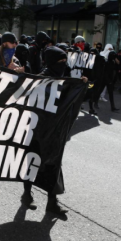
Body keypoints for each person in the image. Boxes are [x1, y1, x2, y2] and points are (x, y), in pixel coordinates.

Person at [21, 46, 87, 215]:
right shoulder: (41, 79)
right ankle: (27, 195)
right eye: (60, 61)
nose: (63, 64)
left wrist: (80, 86)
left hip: (54, 133)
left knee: (54, 165)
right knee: (33, 163)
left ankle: (52, 202)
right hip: (37, 131)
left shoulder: (62, 78)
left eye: (65, 61)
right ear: (51, 62)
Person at [96, 44, 118, 112]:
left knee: (110, 93)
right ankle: (95, 103)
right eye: (109, 49)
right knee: (99, 91)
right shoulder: (103, 57)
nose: (110, 51)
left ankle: (113, 107)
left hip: (109, 79)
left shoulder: (111, 60)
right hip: (105, 78)